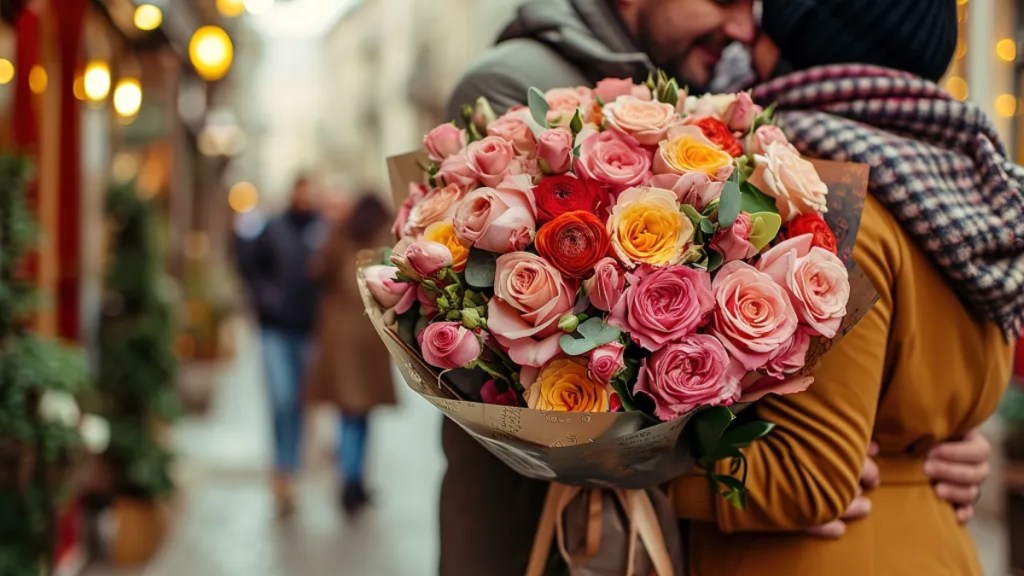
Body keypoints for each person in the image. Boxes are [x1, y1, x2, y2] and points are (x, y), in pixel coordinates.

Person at [439, 0, 998, 573]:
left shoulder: (786, 158)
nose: (744, 28)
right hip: (544, 535)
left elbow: (811, 454)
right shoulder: (515, 81)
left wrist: (922, 447)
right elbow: (476, 358)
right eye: (726, 0)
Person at [668, 0, 1024, 573]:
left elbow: (810, 476)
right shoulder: (962, 191)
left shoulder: (824, 195)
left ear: (793, 39)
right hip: (931, 546)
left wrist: (637, 477)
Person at [236, 174, 324, 518]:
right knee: (281, 398)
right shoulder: (273, 227)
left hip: (309, 330)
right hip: (275, 329)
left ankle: (291, 469)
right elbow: (248, 264)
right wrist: (264, 299)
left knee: (301, 403)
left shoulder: (322, 229)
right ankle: (282, 470)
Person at [306, 191, 397, 516]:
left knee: (348, 413)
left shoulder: (339, 233)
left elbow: (318, 272)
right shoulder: (385, 237)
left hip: (340, 333)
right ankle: (355, 480)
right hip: (370, 333)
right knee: (362, 413)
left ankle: (351, 478)